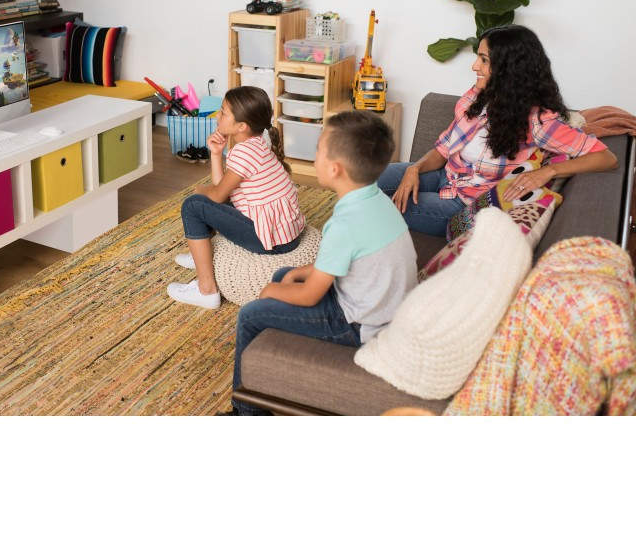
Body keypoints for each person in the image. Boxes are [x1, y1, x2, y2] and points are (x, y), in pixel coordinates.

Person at [227, 110, 417, 415]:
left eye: (318, 150)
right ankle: (274, 368)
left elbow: (309, 295)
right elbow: (344, 262)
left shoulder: (344, 225)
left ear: (335, 169)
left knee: (251, 314)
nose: (314, 157)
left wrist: (269, 292)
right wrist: (298, 273)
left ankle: (245, 413)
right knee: (286, 273)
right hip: (379, 305)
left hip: (357, 325)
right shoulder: (376, 201)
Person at [378, 25, 618, 237]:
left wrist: (549, 171)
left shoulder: (538, 121)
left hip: (462, 203)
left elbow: (606, 158)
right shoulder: (479, 96)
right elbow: (444, 148)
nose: (474, 66)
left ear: (508, 68)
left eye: (484, 60)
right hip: (445, 175)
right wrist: (415, 169)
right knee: (363, 177)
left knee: (372, 206)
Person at [167, 86, 305, 310]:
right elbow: (222, 189)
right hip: (285, 235)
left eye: (223, 112)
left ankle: (206, 290)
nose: (217, 116)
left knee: (193, 205)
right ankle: (201, 255)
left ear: (242, 126)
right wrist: (215, 154)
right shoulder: (256, 143)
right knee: (208, 201)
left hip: (271, 241)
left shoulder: (244, 153)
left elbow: (217, 195)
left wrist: (200, 191)